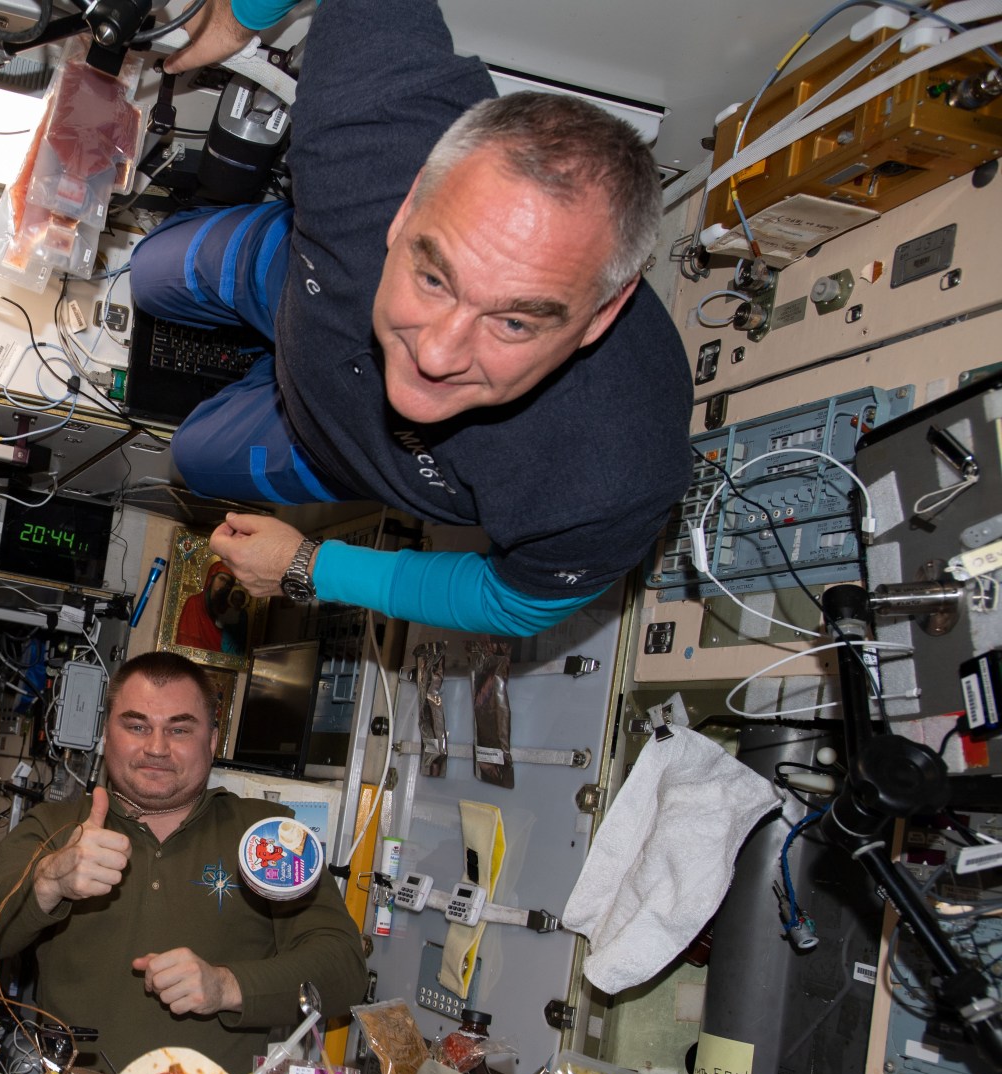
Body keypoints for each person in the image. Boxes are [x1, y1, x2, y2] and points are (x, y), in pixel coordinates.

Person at [127, 0, 691, 637]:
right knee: (147, 274)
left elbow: (518, 603)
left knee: (191, 457)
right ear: (405, 207)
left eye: (514, 323)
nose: (435, 356)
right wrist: (238, 17)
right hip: (294, 280)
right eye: (434, 278)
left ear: (600, 316)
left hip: (332, 449)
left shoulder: (611, 479)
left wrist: (310, 566)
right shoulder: (373, 135)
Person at [0, 652, 365, 1074]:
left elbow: (345, 972)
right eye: (136, 726)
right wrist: (49, 882)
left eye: (179, 729)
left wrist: (226, 986)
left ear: (212, 741)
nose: (156, 747)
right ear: (106, 735)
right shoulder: (57, 827)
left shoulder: (267, 836)